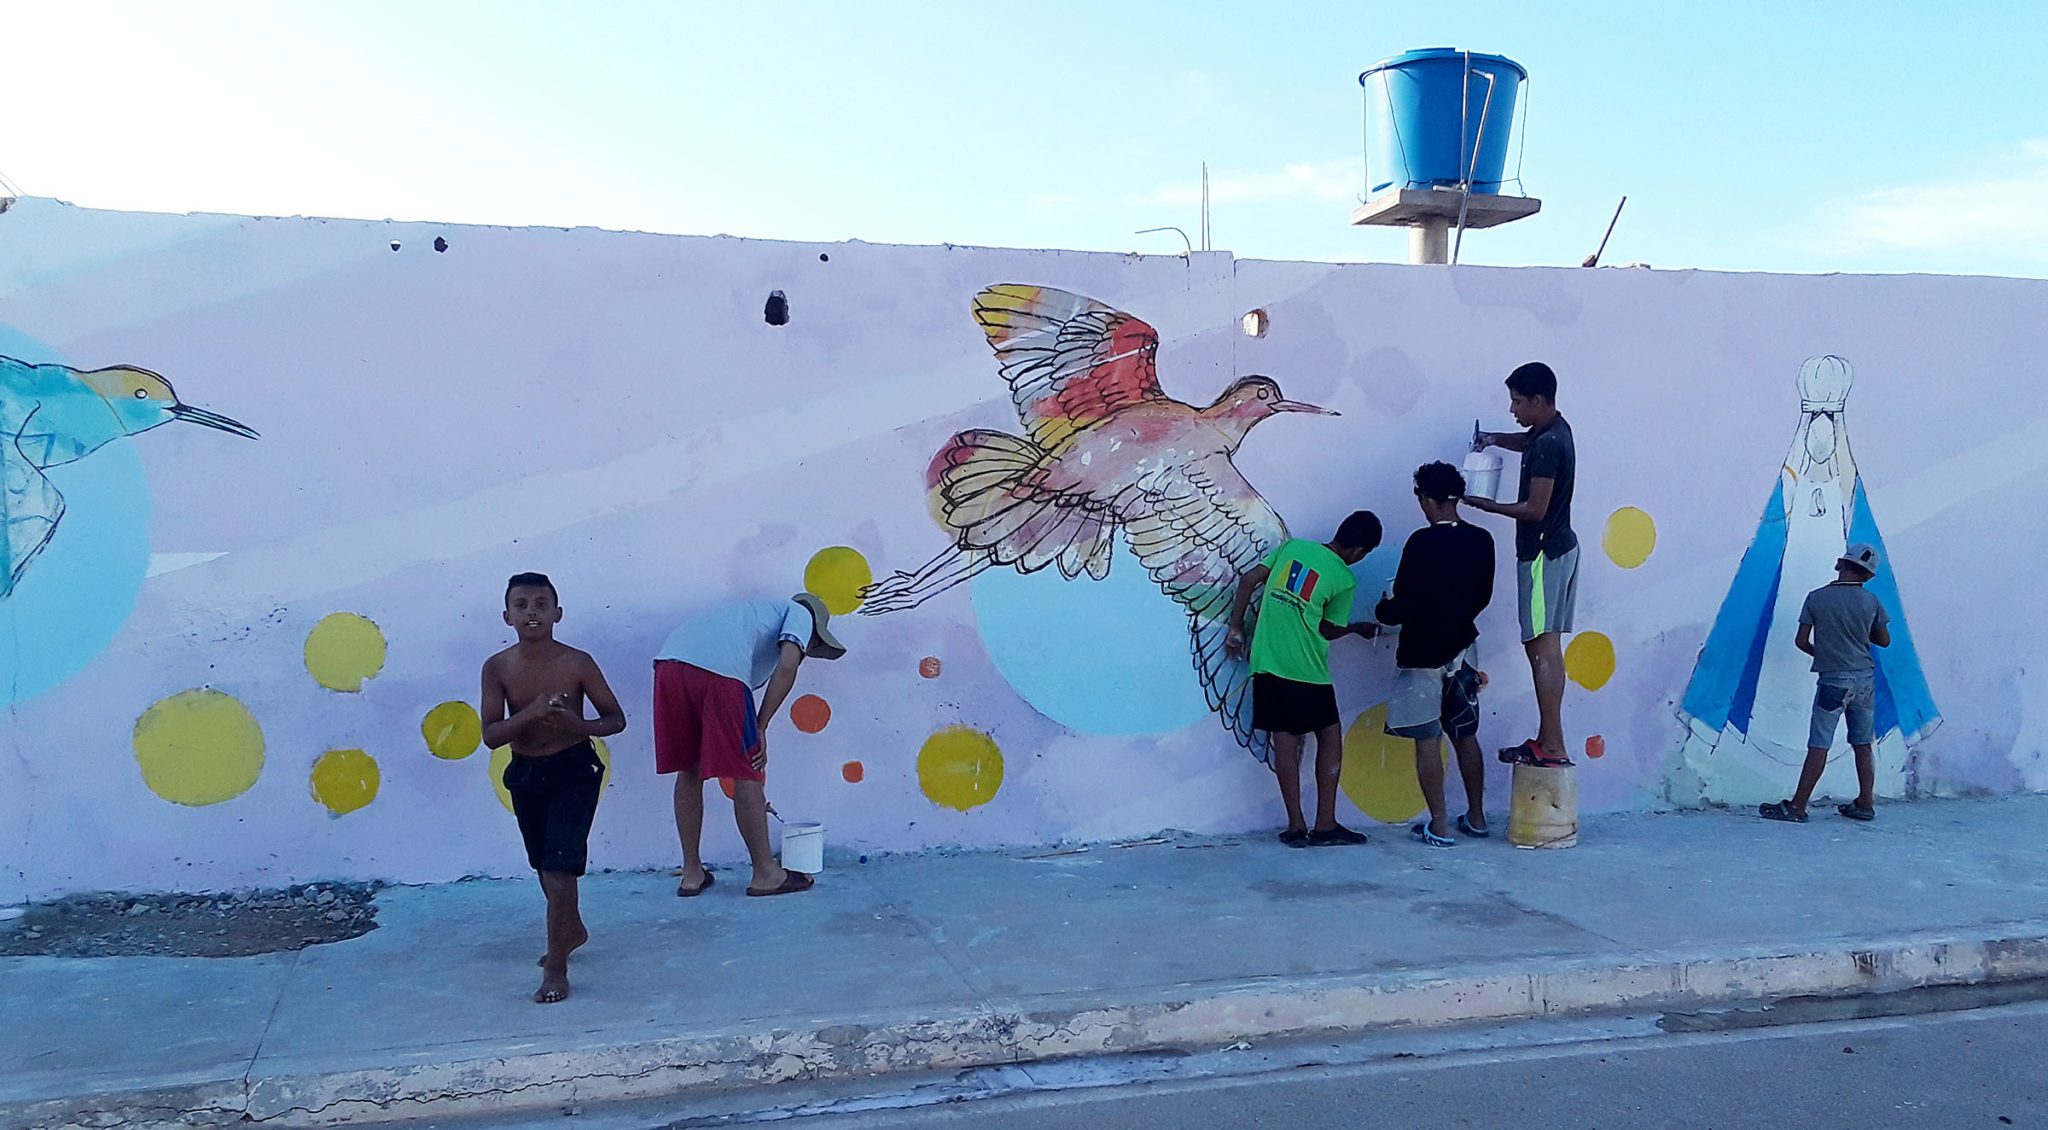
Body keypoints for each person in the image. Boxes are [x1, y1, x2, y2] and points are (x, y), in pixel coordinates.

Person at [479, 572, 628, 1005]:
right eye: (522, 605)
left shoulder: (578, 662)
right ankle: (572, 929)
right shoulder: (498, 667)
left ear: (557, 614)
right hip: (526, 772)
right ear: (507, 616)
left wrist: (576, 725)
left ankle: (557, 967)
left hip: (575, 769)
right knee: (544, 867)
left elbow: (615, 719)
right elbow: (491, 735)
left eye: (541, 604)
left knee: (561, 869)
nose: (532, 612)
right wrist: (533, 713)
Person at [654, 592, 846, 897]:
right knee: (747, 768)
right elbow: (787, 666)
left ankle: (691, 873)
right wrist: (761, 725)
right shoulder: (799, 612)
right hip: (720, 674)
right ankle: (766, 873)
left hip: (668, 666)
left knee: (689, 769)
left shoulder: (748, 615)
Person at [1227, 512, 1382, 847]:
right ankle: (1325, 824)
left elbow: (1248, 579)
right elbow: (1326, 629)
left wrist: (1236, 627)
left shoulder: (1292, 548)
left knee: (1284, 739)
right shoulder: (1344, 578)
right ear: (1359, 551)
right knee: (1329, 736)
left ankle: (1295, 826)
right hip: (1307, 669)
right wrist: (1356, 628)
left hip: (1267, 661)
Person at [1376, 463, 1497, 847]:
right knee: (1466, 736)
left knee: (1428, 740)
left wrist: (1383, 611)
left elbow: (1405, 604)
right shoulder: (1483, 540)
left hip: (1423, 653)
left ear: (1427, 498)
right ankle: (1476, 817)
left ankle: (1440, 825)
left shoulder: (1421, 543)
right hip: (1464, 648)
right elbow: (1483, 596)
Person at [1466, 361, 1577, 767]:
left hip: (1542, 554)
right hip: (1559, 548)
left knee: (1541, 647)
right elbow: (1526, 442)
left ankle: (1551, 746)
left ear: (1538, 400)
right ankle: (1549, 739)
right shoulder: (1551, 431)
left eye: (1516, 402)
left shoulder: (1548, 445)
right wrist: (1493, 439)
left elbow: (1534, 509)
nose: (1512, 409)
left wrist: (1484, 504)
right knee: (1547, 646)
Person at [1760, 543, 1892, 824]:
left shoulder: (1816, 598)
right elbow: (1884, 640)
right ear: (1868, 577)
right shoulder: (1872, 602)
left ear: (1838, 564)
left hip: (1833, 680)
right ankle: (1865, 803)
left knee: (1819, 745)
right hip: (1865, 680)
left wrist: (1825, 652)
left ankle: (1797, 806)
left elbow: (1801, 642)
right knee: (1862, 744)